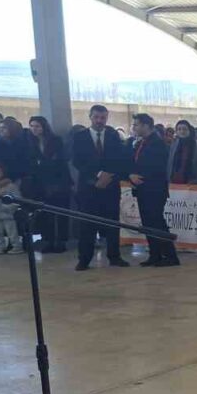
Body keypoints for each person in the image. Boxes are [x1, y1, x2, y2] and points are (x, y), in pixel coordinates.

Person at [72, 104, 131, 271]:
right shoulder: (80, 136)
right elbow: (77, 161)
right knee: (87, 225)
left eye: (103, 117)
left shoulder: (113, 135)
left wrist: (108, 175)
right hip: (88, 186)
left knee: (112, 223)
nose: (99, 121)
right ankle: (84, 259)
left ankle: (114, 256)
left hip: (110, 186)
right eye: (96, 117)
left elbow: (119, 159)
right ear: (90, 117)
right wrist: (98, 175)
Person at [128, 114, 178, 267]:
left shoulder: (157, 143)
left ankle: (170, 255)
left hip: (154, 189)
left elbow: (156, 168)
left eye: (136, 125)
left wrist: (139, 177)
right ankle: (155, 254)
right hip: (143, 189)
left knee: (157, 223)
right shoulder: (142, 142)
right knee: (148, 223)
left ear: (146, 126)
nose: (134, 128)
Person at [28, 116, 71, 253]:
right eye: (32, 126)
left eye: (37, 126)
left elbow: (60, 162)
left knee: (61, 213)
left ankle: (61, 241)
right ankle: (48, 240)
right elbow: (32, 163)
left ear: (44, 127)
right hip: (40, 183)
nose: (34, 129)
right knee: (45, 214)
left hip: (59, 182)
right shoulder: (30, 142)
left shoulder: (55, 140)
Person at [169, 119, 197, 186]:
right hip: (174, 184)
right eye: (179, 129)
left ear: (189, 131)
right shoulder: (173, 145)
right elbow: (170, 165)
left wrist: (195, 182)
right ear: (176, 131)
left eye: (184, 129)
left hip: (193, 184)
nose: (182, 131)